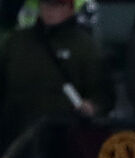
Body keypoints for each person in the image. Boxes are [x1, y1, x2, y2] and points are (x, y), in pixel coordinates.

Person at [0, 0, 110, 149]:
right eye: (45, 4)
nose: (50, 10)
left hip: (66, 144)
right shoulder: (15, 43)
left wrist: (94, 107)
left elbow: (103, 93)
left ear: (70, 7)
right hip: (16, 142)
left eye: (57, 4)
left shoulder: (86, 47)